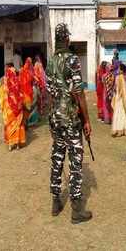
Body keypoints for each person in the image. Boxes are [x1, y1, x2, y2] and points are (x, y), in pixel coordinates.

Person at [46, 23, 92, 224]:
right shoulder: (72, 60)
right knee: (75, 161)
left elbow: (49, 91)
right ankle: (76, 210)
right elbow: (79, 92)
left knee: (57, 158)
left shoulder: (50, 62)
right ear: (67, 39)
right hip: (72, 119)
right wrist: (87, 120)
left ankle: (55, 201)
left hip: (55, 118)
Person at [0, 64, 26, 151]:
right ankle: (17, 144)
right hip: (18, 105)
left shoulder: (5, 81)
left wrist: (2, 105)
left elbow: (2, 92)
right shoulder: (17, 80)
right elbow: (21, 93)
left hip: (9, 107)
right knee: (18, 125)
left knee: (9, 124)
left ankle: (10, 144)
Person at [112, 63, 126, 137]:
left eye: (119, 68)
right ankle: (124, 130)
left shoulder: (118, 77)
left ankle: (118, 130)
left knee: (118, 114)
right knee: (124, 114)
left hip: (119, 97)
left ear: (121, 70)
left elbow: (116, 88)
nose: (118, 70)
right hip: (125, 97)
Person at [20, 57, 34, 125]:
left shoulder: (28, 70)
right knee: (27, 108)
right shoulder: (26, 71)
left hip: (27, 92)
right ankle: (26, 122)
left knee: (27, 108)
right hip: (26, 92)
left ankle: (26, 122)